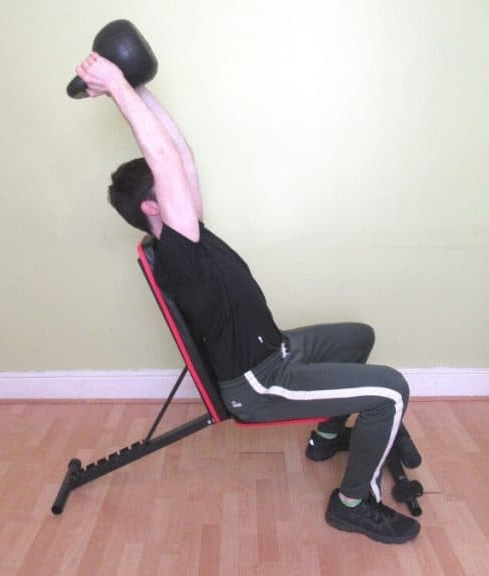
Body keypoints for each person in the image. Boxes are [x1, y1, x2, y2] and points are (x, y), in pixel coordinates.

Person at [75, 52, 419, 544]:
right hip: (260, 383)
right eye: (169, 189)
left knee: (358, 337)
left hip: (275, 349)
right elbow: (166, 160)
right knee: (390, 390)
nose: (183, 189)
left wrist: (134, 86)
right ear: (153, 206)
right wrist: (116, 88)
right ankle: (353, 505)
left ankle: (325, 438)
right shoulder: (178, 256)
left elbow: (181, 156)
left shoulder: (189, 232)